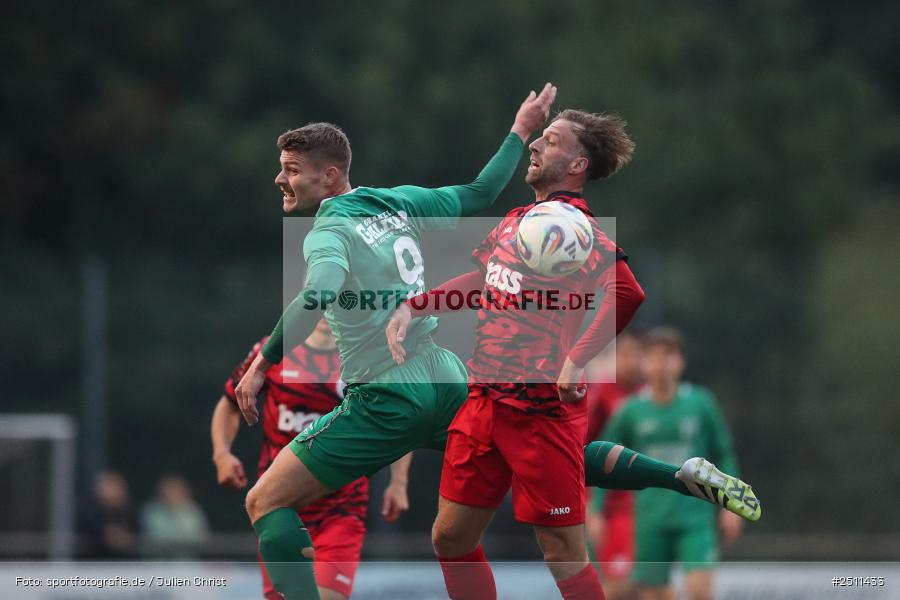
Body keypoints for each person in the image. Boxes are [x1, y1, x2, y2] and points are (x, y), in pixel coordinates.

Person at [386, 110, 760, 600]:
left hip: (538, 405)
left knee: (562, 551)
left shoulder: (574, 226)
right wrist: (416, 305)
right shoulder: (520, 218)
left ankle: (679, 477)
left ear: (577, 163)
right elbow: (484, 282)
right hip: (484, 399)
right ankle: (677, 476)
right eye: (540, 136)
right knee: (450, 538)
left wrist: (577, 358)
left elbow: (628, 292)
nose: (536, 145)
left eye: (552, 139)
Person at [234, 83, 560, 600]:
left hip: (387, 397)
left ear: (331, 174)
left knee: (266, 503)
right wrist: (520, 130)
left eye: (292, 169)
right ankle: (678, 476)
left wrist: (262, 363)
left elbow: (318, 293)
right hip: (444, 375)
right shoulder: (396, 202)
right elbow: (480, 193)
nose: (280, 177)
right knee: (554, 453)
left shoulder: (329, 227)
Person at [212, 318, 410, 599]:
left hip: (341, 509)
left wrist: (399, 482)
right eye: (320, 295)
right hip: (278, 509)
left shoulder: (367, 359)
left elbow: (400, 420)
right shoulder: (272, 351)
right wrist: (222, 453)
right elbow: (230, 403)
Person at [593, 327, 745, 600]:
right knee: (652, 595)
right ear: (644, 363)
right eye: (653, 356)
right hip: (650, 517)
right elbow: (606, 459)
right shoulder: (630, 411)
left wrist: (730, 503)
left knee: (700, 590)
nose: (661, 363)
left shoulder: (700, 403)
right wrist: (595, 509)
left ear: (681, 362)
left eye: (668, 355)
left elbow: (724, 453)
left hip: (695, 515)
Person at [585, 331, 644, 599]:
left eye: (636, 354)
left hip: (645, 505)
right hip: (611, 505)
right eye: (625, 354)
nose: (632, 361)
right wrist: (589, 503)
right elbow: (581, 445)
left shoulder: (649, 395)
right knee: (619, 584)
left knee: (647, 585)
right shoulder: (603, 394)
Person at [140, 475, 209, 559]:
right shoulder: (152, 510)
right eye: (169, 490)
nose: (172, 494)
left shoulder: (193, 510)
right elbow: (157, 538)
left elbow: (199, 538)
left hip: (187, 563)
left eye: (176, 490)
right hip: (157, 563)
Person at [80, 470, 139, 559]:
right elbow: (87, 528)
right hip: (93, 562)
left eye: (115, 485)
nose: (112, 490)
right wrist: (105, 534)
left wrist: (125, 537)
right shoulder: (89, 510)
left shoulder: (129, 511)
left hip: (124, 564)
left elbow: (136, 530)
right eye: (108, 485)